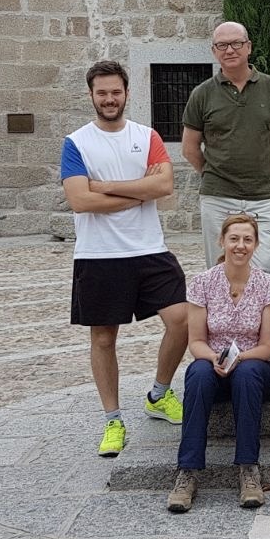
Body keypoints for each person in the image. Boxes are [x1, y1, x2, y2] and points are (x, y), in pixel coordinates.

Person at [61, 60, 189, 458]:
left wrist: (110, 188)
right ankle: (113, 420)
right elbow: (80, 200)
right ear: (91, 95)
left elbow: (165, 184)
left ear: (127, 93)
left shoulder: (145, 135)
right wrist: (139, 192)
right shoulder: (76, 142)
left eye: (115, 91)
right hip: (99, 255)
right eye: (102, 93)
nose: (109, 99)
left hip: (149, 248)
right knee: (103, 338)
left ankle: (158, 393)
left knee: (183, 320)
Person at [167, 213, 270, 513]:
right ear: (222, 241)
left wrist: (239, 358)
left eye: (247, 239)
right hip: (213, 363)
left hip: (255, 367)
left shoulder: (269, 285)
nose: (240, 245)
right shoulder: (202, 283)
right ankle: (187, 472)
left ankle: (248, 469)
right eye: (234, 238)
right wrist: (216, 359)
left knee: (245, 373)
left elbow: (268, 347)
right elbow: (196, 342)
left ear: (256, 245)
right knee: (198, 373)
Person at [182, 21, 270, 274]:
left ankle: (257, 315)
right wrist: (213, 174)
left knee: (263, 269)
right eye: (222, 45)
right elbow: (190, 148)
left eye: (236, 43)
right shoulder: (202, 94)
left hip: (264, 198)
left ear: (248, 47)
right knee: (220, 270)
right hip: (218, 197)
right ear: (214, 51)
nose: (229, 50)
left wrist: (267, 171)